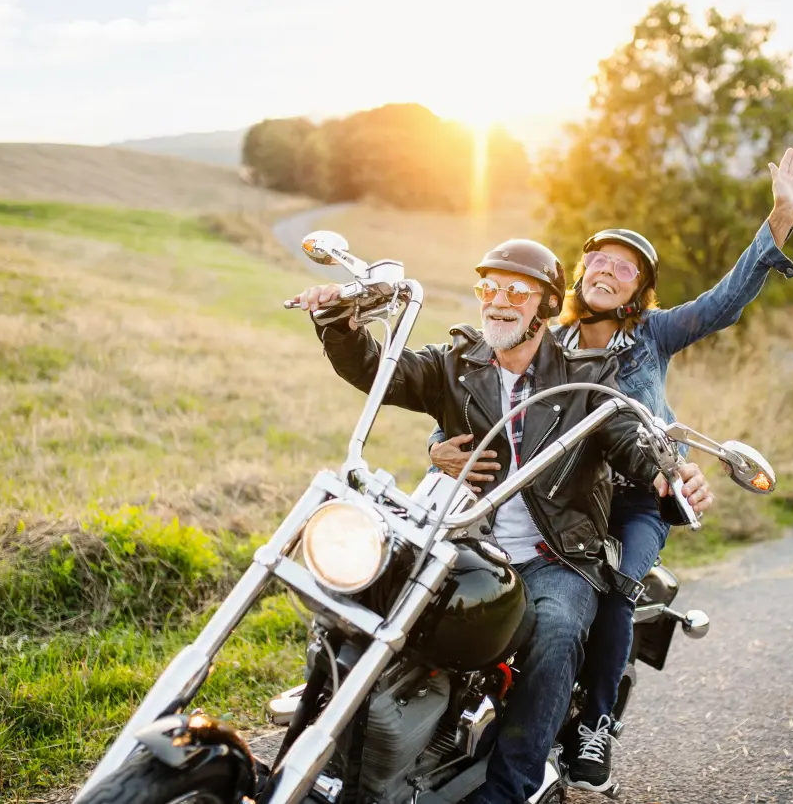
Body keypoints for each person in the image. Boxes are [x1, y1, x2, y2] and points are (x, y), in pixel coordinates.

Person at [426, 146, 793, 793]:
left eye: (625, 267)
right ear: (579, 276)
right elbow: (484, 397)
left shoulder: (654, 335)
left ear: (638, 290)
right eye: (598, 259)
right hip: (563, 491)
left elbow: (722, 303)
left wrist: (778, 220)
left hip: (638, 496)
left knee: (619, 588)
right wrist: (439, 447)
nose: (608, 269)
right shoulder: (552, 340)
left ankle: (596, 720)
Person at [289, 238, 714, 804]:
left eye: (518, 291)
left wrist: (672, 475)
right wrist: (337, 323)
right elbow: (378, 371)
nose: (499, 300)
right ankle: (331, 740)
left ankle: (509, 788)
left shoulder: (586, 378)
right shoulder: (457, 363)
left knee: (558, 632)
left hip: (553, 555)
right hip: (462, 539)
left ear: (544, 307)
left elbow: (631, 445)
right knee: (362, 594)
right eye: (490, 286)